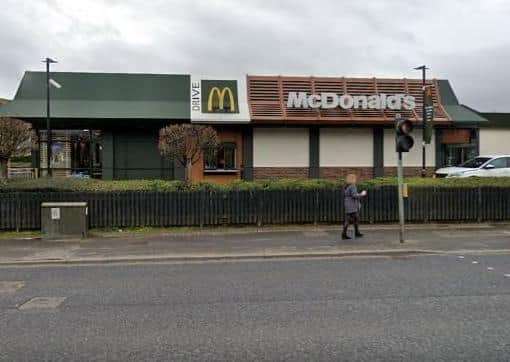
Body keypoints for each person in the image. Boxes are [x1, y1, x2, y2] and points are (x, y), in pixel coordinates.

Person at [342, 174, 367, 240]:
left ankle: (347, 234)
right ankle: (355, 233)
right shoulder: (353, 186)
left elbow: (345, 195)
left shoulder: (346, 186)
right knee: (355, 218)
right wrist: (362, 194)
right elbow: (354, 195)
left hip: (347, 203)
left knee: (350, 219)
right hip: (352, 204)